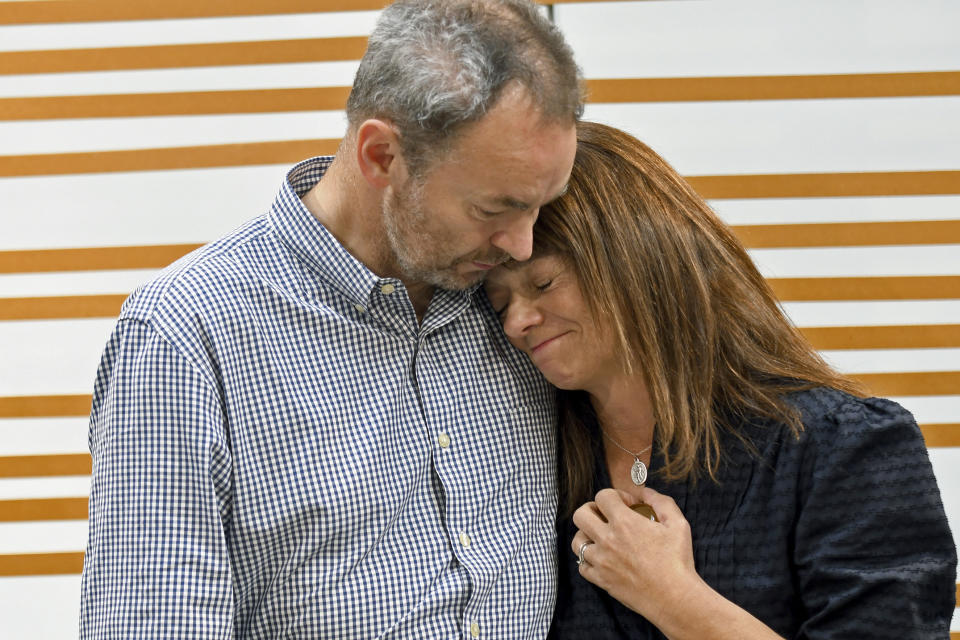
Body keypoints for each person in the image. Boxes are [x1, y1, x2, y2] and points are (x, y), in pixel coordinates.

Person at [80, 1, 582, 637]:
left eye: (540, 206)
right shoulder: (186, 334)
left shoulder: (519, 309)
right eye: (493, 208)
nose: (520, 243)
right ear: (381, 156)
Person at [484, 121, 957, 639]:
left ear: (639, 257)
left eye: (543, 282)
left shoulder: (845, 447)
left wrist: (672, 597)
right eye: (500, 303)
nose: (517, 322)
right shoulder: (529, 463)